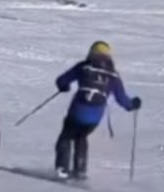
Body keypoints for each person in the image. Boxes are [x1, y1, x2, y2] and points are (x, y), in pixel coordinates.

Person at [54, 41, 141, 180]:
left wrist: (64, 87)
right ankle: (80, 171)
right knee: (81, 136)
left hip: (77, 110)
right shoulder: (113, 75)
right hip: (95, 116)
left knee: (66, 136)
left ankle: (62, 169)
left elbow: (61, 80)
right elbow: (122, 100)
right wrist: (133, 105)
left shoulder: (83, 67)